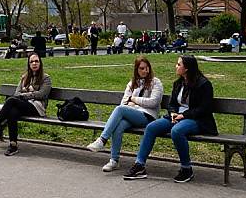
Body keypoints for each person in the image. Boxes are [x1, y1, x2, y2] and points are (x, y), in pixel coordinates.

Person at [123, 55, 218, 183]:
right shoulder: (178, 83)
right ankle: (140, 165)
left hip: (197, 120)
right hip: (176, 117)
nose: (176, 66)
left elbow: (205, 108)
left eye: (179, 65)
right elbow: (172, 104)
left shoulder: (204, 84)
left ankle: (186, 168)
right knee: (151, 127)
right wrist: (173, 113)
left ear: (187, 69)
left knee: (177, 131)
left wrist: (184, 115)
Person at [87, 57, 163, 171]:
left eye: (147, 68)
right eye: (142, 68)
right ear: (136, 69)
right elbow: (124, 102)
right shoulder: (132, 83)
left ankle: (102, 140)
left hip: (148, 116)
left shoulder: (155, 82)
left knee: (120, 109)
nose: (145, 71)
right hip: (133, 115)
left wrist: (134, 100)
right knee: (119, 126)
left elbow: (154, 102)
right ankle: (114, 160)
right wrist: (134, 104)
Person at [0, 53, 52, 156]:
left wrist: (26, 93)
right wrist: (28, 93)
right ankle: (13, 145)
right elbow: (16, 93)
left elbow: (42, 94)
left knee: (10, 100)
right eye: (32, 62)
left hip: (37, 107)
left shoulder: (46, 78)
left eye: (36, 61)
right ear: (28, 64)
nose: (34, 63)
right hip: (23, 104)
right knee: (12, 113)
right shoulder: (25, 77)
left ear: (40, 63)